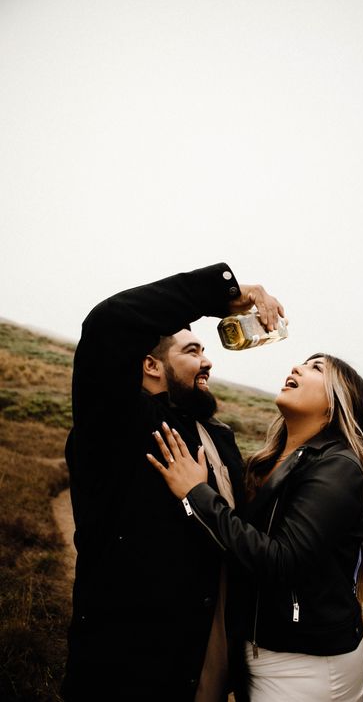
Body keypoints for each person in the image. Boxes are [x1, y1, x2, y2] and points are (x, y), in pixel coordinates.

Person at [60, 263, 285, 702]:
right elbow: (108, 323)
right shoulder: (118, 423)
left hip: (209, 654)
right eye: (192, 350)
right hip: (129, 664)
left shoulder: (218, 435)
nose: (208, 361)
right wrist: (221, 294)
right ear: (151, 365)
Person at [148, 352, 363, 702]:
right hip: (260, 650)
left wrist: (196, 494)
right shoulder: (269, 462)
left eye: (316, 368)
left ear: (338, 402)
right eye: (304, 362)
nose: (297, 367)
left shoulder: (339, 467)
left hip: (308, 665)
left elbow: (281, 561)